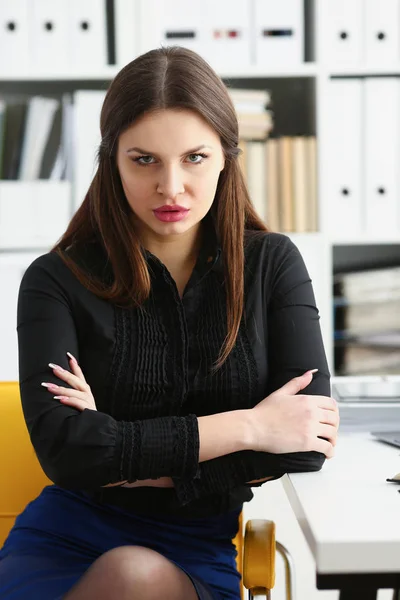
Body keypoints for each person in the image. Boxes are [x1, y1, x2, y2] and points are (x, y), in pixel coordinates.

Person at [0, 46, 339, 600]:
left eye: (195, 158)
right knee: (127, 575)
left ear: (228, 156)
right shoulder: (55, 280)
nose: (171, 187)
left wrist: (116, 448)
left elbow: (306, 441)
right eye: (144, 160)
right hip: (64, 539)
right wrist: (250, 427)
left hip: (194, 548)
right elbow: (68, 456)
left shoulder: (272, 264)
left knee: (137, 575)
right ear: (112, 159)